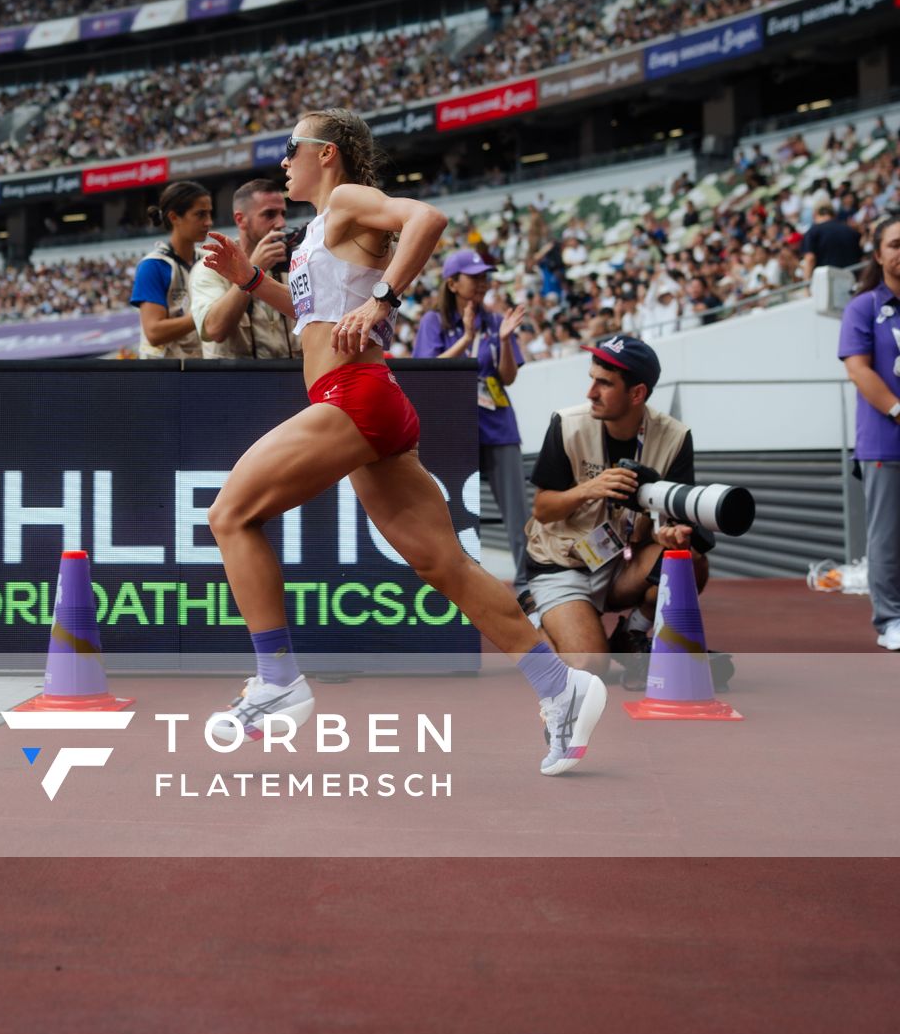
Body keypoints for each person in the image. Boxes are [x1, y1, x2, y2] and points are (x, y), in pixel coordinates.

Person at [201, 108, 607, 777]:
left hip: (354, 396)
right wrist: (249, 281)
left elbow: (428, 220)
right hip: (369, 405)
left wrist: (385, 301)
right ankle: (561, 689)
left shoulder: (349, 200)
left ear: (326, 153)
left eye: (291, 148)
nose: (283, 161)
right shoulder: (317, 235)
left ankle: (277, 680)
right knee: (443, 565)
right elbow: (314, 318)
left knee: (230, 515)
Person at [524, 335, 710, 677]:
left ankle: (632, 633)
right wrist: (589, 489)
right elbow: (542, 509)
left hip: (615, 566)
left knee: (692, 561)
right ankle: (531, 617)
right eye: (592, 379)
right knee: (590, 666)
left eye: (604, 383)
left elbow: (678, 518)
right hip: (559, 563)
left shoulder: (674, 437)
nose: (590, 392)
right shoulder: (568, 424)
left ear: (637, 393)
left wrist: (675, 535)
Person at [411, 251, 531, 596]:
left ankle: (525, 586)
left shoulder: (496, 322)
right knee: (447, 511)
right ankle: (454, 585)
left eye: (485, 276)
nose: (482, 282)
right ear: (452, 283)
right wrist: (465, 339)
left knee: (517, 512)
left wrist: (506, 341)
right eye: (474, 276)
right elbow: (427, 373)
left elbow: (507, 378)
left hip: (498, 425)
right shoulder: (434, 322)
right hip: (452, 430)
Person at [838, 215, 900, 650]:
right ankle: (891, 620)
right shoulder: (864, 307)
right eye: (895, 244)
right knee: (887, 537)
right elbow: (858, 370)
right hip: (886, 443)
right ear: (879, 255)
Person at [188, 177, 298, 359]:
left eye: (283, 214)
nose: (281, 223)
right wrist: (253, 273)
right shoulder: (211, 266)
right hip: (236, 384)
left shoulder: (291, 261)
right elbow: (214, 329)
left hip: (289, 380)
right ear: (240, 220)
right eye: (269, 214)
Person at [129, 179, 213, 359]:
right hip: (165, 376)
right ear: (174, 217)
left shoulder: (208, 260)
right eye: (200, 215)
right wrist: (208, 315)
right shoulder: (152, 265)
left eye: (209, 214)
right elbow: (154, 332)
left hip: (202, 369)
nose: (209, 222)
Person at [801, 194, 862, 280]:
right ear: (834, 214)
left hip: (829, 283)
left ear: (814, 214)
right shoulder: (849, 229)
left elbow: (810, 258)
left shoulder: (812, 232)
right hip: (854, 279)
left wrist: (806, 285)